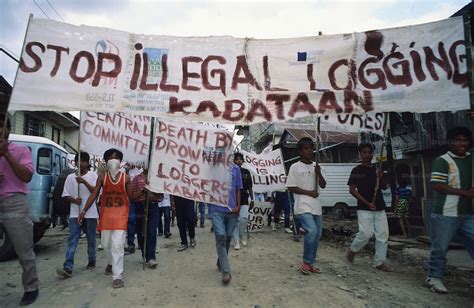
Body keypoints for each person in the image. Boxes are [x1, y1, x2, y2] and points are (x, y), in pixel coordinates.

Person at [427, 126, 474, 294]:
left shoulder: (471, 158)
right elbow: (436, 185)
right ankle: (434, 278)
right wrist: (466, 193)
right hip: (445, 213)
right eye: (458, 140)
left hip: (468, 213)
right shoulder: (442, 160)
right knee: (440, 248)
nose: (462, 143)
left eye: (465, 140)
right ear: (450, 142)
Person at [78, 148, 132, 289]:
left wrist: (146, 189)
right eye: (110, 158)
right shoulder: (102, 177)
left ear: (120, 162)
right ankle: (110, 262)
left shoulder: (126, 178)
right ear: (106, 161)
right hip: (106, 217)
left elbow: (132, 197)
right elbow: (94, 194)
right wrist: (83, 211)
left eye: (116, 158)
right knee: (106, 244)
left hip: (121, 216)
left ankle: (117, 276)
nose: (113, 160)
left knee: (118, 245)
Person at [0, 115, 39, 306]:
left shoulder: (21, 150)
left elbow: (26, 176)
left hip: (14, 202)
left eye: (0, 127)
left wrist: (6, 154)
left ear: (7, 130)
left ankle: (31, 287)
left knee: (24, 249)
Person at [345, 143, 393, 272]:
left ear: (373, 154)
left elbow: (384, 187)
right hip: (364, 207)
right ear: (360, 154)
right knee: (366, 233)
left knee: (383, 235)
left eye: (369, 152)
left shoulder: (378, 169)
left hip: (380, 207)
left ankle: (379, 262)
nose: (367, 155)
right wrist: (367, 203)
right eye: (364, 152)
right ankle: (353, 250)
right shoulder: (356, 170)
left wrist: (381, 177)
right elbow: (352, 190)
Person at [287, 137, 326, 275]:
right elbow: (291, 187)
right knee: (312, 230)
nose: (309, 151)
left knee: (317, 234)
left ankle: (309, 264)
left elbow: (323, 185)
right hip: (302, 206)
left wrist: (319, 173)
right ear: (300, 151)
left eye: (311, 148)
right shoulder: (295, 167)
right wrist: (309, 192)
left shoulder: (316, 166)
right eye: (306, 148)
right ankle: (305, 262)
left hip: (316, 207)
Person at [56, 152, 98, 279]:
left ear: (87, 163)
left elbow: (95, 192)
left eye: (83, 161)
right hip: (75, 212)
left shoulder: (93, 175)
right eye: (78, 161)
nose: (80, 163)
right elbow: (65, 195)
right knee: (73, 238)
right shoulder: (69, 178)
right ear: (74, 162)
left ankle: (92, 259)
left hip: (90, 213)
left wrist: (83, 182)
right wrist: (74, 200)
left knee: (91, 238)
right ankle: (68, 266)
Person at [208, 161, 242, 285]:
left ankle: (220, 261)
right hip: (216, 209)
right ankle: (226, 272)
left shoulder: (236, 168)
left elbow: (238, 188)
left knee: (227, 238)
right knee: (221, 237)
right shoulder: (211, 166)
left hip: (231, 209)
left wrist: (238, 206)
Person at [131, 168, 162, 269]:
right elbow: (132, 197)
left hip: (153, 207)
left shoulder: (156, 179)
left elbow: (161, 196)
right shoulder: (136, 179)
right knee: (141, 232)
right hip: (140, 206)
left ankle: (151, 257)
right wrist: (143, 191)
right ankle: (144, 253)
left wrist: (153, 194)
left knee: (152, 231)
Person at [232, 152, 253, 250]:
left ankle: (242, 235)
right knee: (234, 220)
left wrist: (252, 199)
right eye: (237, 159)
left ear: (242, 160)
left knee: (243, 219)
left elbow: (250, 187)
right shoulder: (230, 171)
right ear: (234, 161)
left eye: (240, 159)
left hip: (244, 197)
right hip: (233, 198)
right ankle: (236, 240)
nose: (238, 161)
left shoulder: (246, 172)